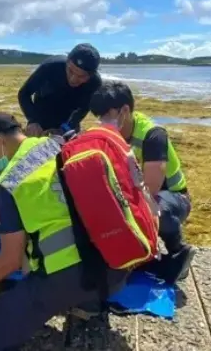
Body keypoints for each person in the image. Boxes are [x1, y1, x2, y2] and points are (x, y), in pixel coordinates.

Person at [0, 112, 128, 351]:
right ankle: (89, 304)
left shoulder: (10, 182)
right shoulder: (60, 143)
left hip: (71, 275)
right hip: (117, 260)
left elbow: (10, 261)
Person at [88, 80, 195, 284]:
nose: (102, 121)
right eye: (98, 117)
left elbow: (151, 189)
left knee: (153, 209)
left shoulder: (152, 135)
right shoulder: (108, 136)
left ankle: (177, 249)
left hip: (172, 197)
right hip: (133, 194)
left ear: (125, 110)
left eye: (106, 115)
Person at [17, 43, 102, 136]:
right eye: (70, 71)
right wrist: (33, 120)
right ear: (67, 62)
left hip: (67, 121)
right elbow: (24, 93)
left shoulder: (95, 83)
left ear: (91, 75)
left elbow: (83, 109)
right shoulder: (50, 67)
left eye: (81, 76)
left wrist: (65, 128)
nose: (73, 79)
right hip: (40, 117)